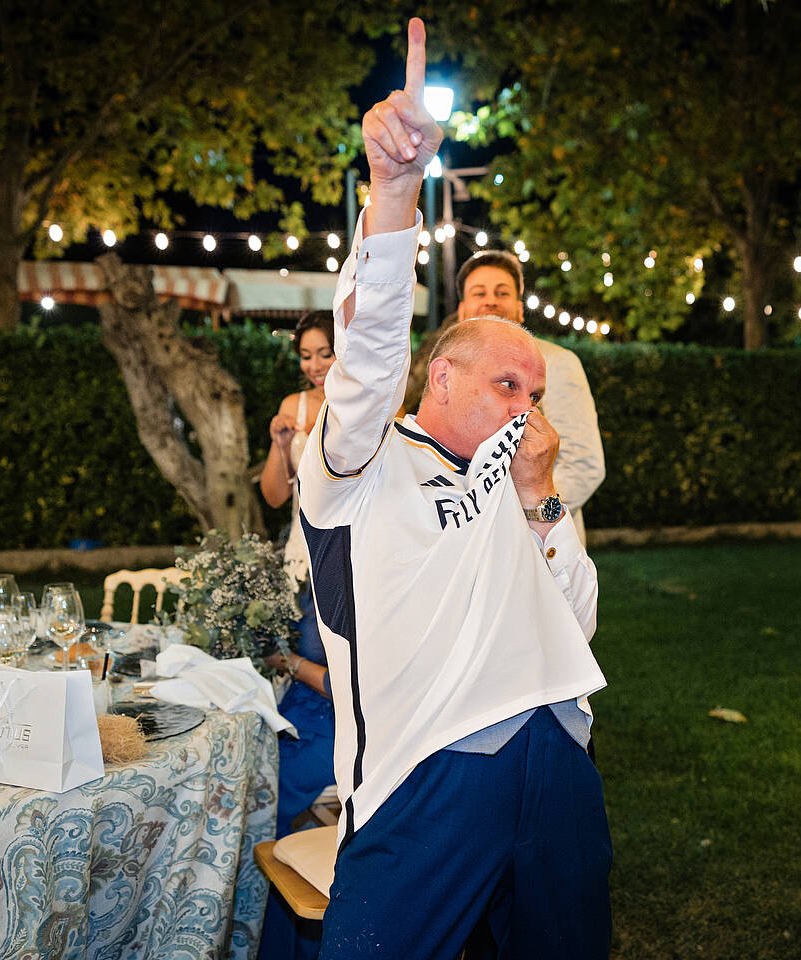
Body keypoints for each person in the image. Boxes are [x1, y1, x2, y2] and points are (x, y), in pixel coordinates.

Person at [294, 19, 610, 958]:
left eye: (536, 392)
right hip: (427, 770)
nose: (526, 404)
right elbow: (368, 350)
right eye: (506, 385)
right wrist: (394, 193)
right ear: (440, 381)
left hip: (555, 752)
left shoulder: (522, 480)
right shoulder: (361, 463)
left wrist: (542, 502)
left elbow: (578, 619)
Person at [402, 250, 606, 544]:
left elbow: (584, 465)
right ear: (462, 311)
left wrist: (522, 515)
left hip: (538, 543)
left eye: (502, 292)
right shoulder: (450, 369)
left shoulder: (558, 363)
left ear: (520, 310)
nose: (490, 301)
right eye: (479, 292)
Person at [256, 312, 337, 960]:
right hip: (297, 556)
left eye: (323, 353)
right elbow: (275, 493)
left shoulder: (373, 402)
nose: (314, 366)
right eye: (307, 356)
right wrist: (282, 443)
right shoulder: (295, 405)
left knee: (321, 664)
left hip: (342, 557)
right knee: (291, 674)